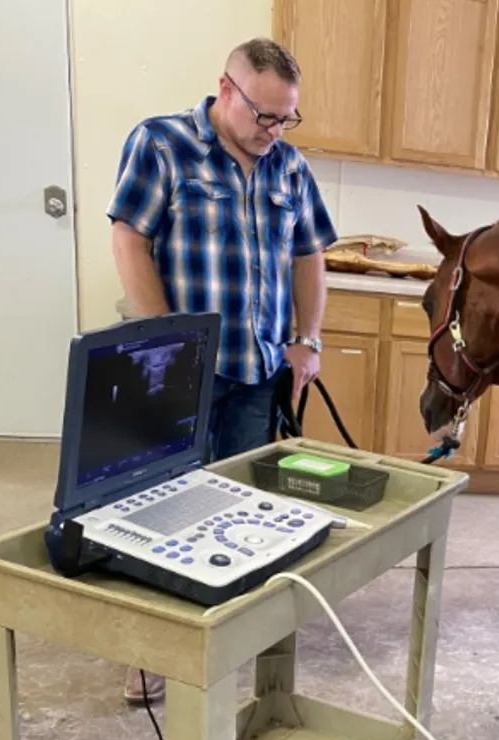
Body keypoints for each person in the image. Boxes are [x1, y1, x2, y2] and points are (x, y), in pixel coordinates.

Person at [105, 37, 338, 705]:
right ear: (226, 90)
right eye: (264, 115)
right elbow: (129, 238)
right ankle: (153, 652)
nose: (275, 130)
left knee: (241, 507)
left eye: (286, 117)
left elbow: (309, 255)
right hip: (181, 373)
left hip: (257, 370)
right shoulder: (162, 144)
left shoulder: (289, 166)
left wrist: (307, 338)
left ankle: (228, 629)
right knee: (164, 508)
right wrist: (167, 343)